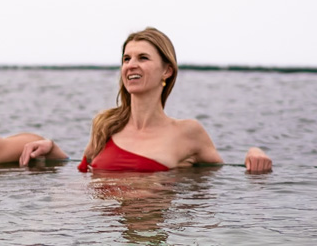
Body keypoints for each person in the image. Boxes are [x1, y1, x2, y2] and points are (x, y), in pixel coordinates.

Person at [42, 27, 272, 173]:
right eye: (126, 58)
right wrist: (52, 151)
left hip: (154, 232)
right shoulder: (105, 124)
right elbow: (81, 171)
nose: (131, 64)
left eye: (143, 58)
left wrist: (254, 152)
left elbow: (223, 173)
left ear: (167, 71)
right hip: (107, 236)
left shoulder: (188, 132)